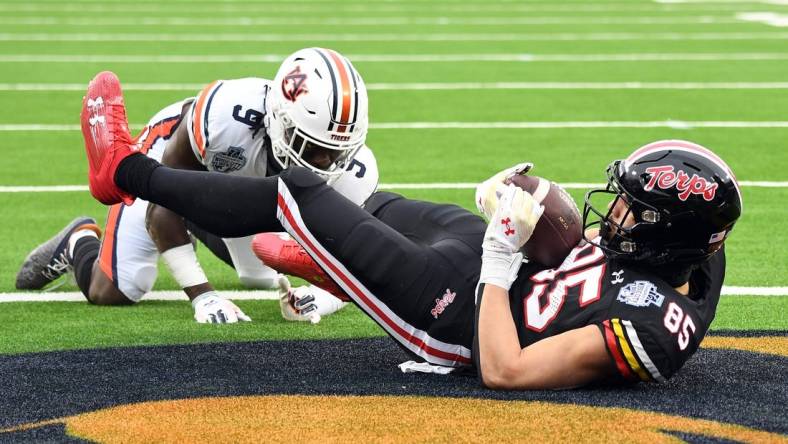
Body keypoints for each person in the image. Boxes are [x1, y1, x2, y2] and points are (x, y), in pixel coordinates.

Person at [81, 71, 742, 389]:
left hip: (457, 311)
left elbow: (506, 370)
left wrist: (500, 254)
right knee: (357, 202)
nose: (615, 214)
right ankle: (330, 259)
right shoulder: (694, 254)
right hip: (494, 267)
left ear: (668, 236)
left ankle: (124, 169)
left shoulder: (647, 330)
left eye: (632, 210)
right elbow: (606, 251)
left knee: (297, 194)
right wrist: (537, 214)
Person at [16, 48, 377, 324]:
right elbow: (164, 202)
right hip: (177, 162)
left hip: (240, 190)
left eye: (338, 150)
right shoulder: (222, 120)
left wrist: (319, 299)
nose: (329, 164)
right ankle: (79, 239)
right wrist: (202, 295)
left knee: (262, 275)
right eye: (314, 149)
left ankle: (201, 223)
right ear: (280, 121)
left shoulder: (355, 170)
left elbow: (352, 262)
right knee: (115, 288)